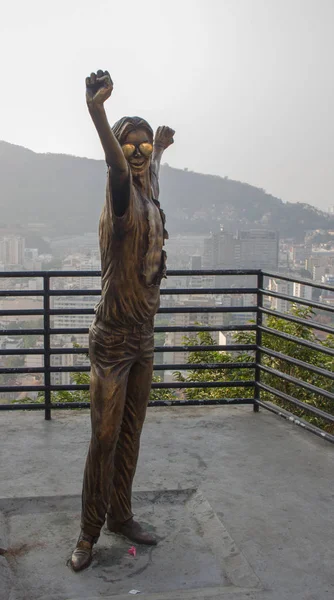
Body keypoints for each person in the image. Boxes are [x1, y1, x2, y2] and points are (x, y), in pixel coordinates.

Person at [70, 70, 175, 572]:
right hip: (112, 340)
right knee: (104, 438)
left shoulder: (149, 191)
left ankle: (121, 515)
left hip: (144, 339)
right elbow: (119, 168)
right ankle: (89, 531)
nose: (137, 152)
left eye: (143, 145)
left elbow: (148, 171)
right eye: (128, 145)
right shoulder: (120, 196)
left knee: (132, 432)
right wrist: (98, 113)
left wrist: (163, 148)